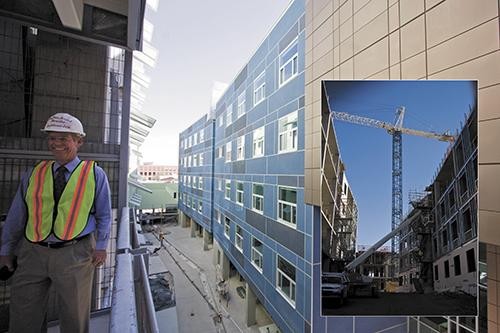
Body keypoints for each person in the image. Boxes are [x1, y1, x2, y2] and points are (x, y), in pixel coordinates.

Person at [0, 113, 112, 333]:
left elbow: (104, 215)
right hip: (32, 253)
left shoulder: (94, 174)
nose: (56, 143)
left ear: (78, 141)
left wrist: (101, 247)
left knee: (74, 318)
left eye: (63, 138)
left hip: (76, 254)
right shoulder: (34, 173)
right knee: (23, 317)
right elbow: (17, 215)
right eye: (52, 138)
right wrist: (6, 250)